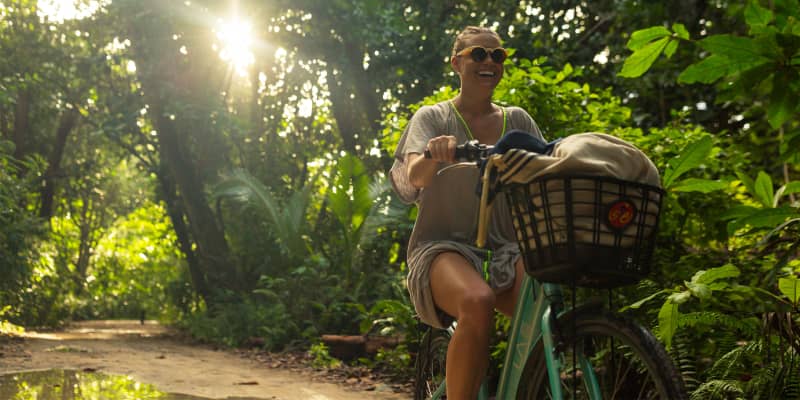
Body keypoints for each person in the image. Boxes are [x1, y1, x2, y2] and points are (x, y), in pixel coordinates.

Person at [390, 26, 544, 399]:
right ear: (456, 63)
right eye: (478, 54)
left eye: (497, 55)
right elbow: (414, 176)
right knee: (477, 300)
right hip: (443, 248)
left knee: (542, 299)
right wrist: (433, 154)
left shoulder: (518, 121)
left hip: (507, 248)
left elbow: (545, 173)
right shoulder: (433, 117)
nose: (489, 61)